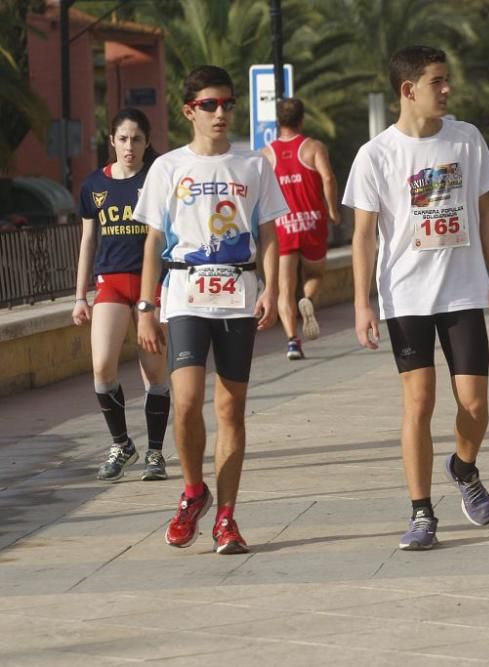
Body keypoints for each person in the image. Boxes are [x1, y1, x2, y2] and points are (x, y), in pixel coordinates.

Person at [345, 45, 489, 551]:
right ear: (408, 89)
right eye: (437, 81)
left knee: (475, 405)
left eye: (447, 80)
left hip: (462, 290)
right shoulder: (376, 154)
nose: (446, 90)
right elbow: (363, 237)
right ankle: (421, 513)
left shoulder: (466, 139)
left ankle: (463, 467)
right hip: (406, 297)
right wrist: (362, 302)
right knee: (420, 401)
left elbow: (485, 215)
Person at [134, 65, 289, 554]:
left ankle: (226, 517)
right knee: (184, 403)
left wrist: (272, 289)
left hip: (238, 296)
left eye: (227, 104)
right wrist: (145, 306)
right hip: (184, 294)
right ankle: (193, 491)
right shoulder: (168, 168)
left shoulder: (254, 166)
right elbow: (154, 239)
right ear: (189, 111)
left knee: (231, 409)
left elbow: (269, 235)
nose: (220, 112)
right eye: (209, 105)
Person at [73, 108, 170, 482]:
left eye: (137, 139)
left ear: (147, 142)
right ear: (112, 141)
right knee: (102, 367)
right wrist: (80, 296)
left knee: (154, 371)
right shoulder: (93, 185)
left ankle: (156, 452)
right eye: (123, 139)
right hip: (110, 284)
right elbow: (87, 241)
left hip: (151, 285)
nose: (130, 146)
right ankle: (122, 444)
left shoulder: (158, 179)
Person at [262, 97, 340, 361]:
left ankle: (292, 342)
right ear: (302, 120)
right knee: (315, 273)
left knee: (284, 289)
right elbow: (328, 177)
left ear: (277, 122)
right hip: (312, 222)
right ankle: (307, 298)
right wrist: (332, 209)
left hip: (282, 226)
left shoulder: (267, 154)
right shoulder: (313, 148)